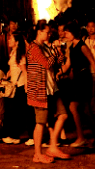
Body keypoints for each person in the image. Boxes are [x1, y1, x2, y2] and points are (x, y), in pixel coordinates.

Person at [26, 20, 69, 163]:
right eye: (47, 32)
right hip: (40, 90)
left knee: (62, 115)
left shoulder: (45, 46)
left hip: (51, 88)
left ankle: (52, 147)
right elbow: (46, 64)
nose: (50, 34)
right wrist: (55, 52)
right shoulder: (33, 47)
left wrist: (59, 51)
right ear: (39, 32)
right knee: (40, 123)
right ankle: (37, 154)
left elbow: (60, 61)